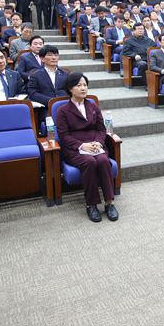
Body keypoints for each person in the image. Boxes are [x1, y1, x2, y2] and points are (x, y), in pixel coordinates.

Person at [56, 73, 118, 223]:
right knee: (89, 162)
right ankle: (91, 204)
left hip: (95, 144)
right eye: (79, 85)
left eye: (85, 85)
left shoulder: (92, 105)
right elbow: (64, 136)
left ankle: (109, 203)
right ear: (70, 88)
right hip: (75, 148)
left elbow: (101, 129)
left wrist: (98, 142)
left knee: (103, 160)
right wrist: (82, 145)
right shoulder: (63, 110)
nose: (83, 88)